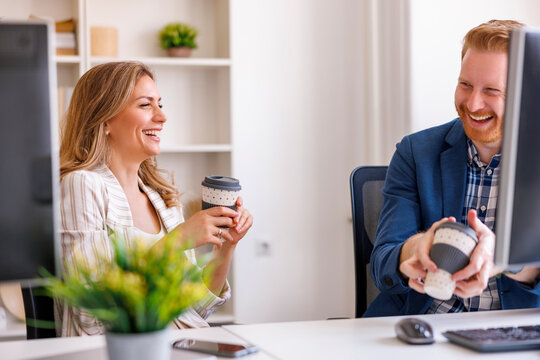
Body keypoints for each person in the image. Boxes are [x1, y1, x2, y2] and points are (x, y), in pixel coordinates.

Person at [57, 61, 253, 336]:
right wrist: (176, 242)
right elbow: (92, 315)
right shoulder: (82, 185)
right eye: (146, 105)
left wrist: (226, 248)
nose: (162, 117)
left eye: (160, 104)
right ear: (105, 120)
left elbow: (193, 310)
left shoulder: (162, 197)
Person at [366, 20, 540, 317]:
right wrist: (419, 246)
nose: (473, 104)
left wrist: (505, 259)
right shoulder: (416, 152)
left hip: (511, 332)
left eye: (492, 90)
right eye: (465, 85)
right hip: (421, 325)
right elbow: (383, 261)